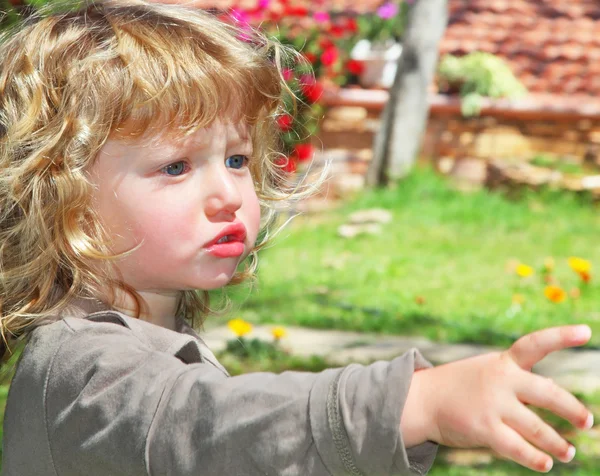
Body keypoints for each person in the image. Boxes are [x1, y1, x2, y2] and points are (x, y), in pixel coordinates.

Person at [0, 1, 594, 475]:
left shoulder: (143, 338)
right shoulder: (85, 372)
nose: (230, 195)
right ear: (64, 200)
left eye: (236, 159)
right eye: (176, 167)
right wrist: (413, 404)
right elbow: (213, 430)